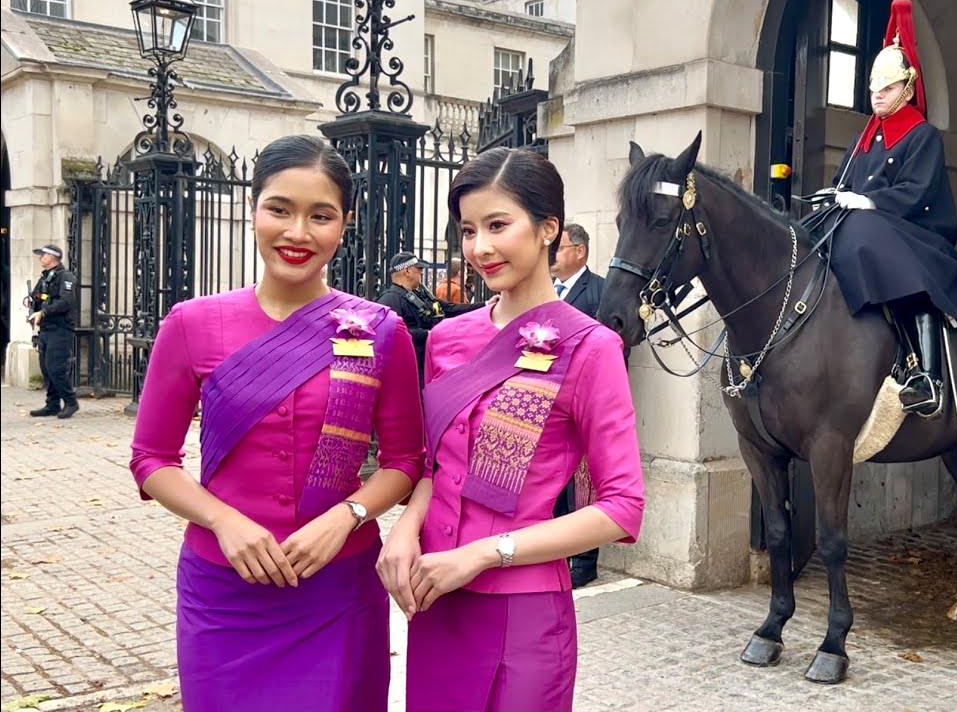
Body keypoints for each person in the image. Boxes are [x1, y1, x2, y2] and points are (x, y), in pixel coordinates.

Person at [128, 135, 424, 712]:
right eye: (280, 209)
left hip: (338, 588)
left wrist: (347, 515)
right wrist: (222, 520)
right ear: (253, 208)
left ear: (345, 224)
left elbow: (406, 461)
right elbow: (151, 459)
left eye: (321, 216)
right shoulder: (192, 324)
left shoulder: (380, 330)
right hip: (224, 591)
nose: (298, 233)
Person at [377, 147, 645, 712]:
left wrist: (482, 553)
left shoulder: (591, 348)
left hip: (523, 609)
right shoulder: (447, 339)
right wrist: (404, 531)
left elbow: (622, 507)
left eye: (498, 225)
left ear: (548, 228)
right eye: (468, 230)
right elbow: (435, 465)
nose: (480, 247)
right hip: (436, 593)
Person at [819, 0, 957, 418]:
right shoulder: (864, 137)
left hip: (918, 232)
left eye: (888, 88)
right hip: (868, 227)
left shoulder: (922, 135)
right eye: (874, 89)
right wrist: (832, 197)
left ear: (908, 89)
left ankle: (927, 375)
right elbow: (843, 182)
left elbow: (917, 192)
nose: (877, 96)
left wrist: (869, 201)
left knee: (867, 236)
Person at [548, 222, 607, 588]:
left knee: (583, 485)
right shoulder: (545, 292)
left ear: (580, 251)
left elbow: (613, 348)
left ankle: (585, 561)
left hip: (584, 403)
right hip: (547, 403)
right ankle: (555, 550)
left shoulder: (600, 291)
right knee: (553, 481)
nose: (552, 256)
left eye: (559, 248)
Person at [376, 251, 482, 387]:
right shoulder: (390, 299)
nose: (421, 272)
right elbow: (393, 333)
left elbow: (449, 308)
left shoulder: (420, 295)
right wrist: (429, 334)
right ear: (407, 271)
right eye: (419, 268)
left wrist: (485, 305)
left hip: (426, 363)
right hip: (409, 369)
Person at [27, 244, 78, 419]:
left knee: (56, 368)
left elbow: (66, 301)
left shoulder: (66, 277)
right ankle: (52, 404)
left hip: (60, 329)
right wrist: (30, 303)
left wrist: (43, 312)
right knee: (46, 369)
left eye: (43, 255)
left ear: (52, 257)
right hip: (46, 329)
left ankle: (71, 402)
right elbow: (37, 296)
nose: (40, 258)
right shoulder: (45, 277)